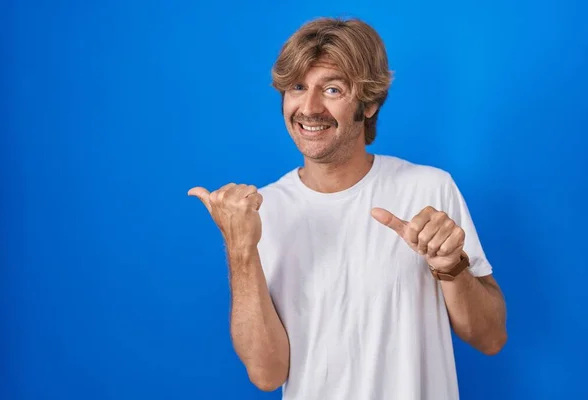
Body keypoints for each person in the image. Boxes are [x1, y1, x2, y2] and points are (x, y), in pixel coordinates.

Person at [188, 17, 507, 400]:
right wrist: (241, 249)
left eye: (333, 89)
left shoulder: (429, 189)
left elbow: (491, 338)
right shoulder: (261, 212)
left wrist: (451, 268)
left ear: (369, 103)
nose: (309, 107)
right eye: (297, 87)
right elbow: (267, 374)